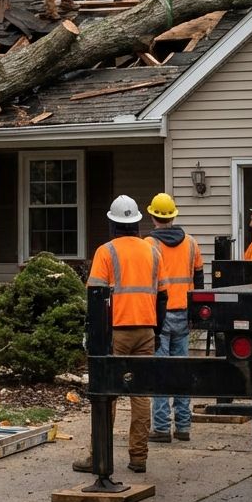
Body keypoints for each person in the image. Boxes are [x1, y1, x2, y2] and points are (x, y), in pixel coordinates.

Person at [73, 195, 166, 475]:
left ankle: (98, 455)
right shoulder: (153, 252)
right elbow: (162, 297)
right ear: (137, 223)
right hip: (146, 331)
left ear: (113, 224)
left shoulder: (106, 251)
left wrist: (94, 335)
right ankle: (139, 457)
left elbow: (95, 297)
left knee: (106, 394)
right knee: (140, 396)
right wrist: (156, 331)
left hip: (116, 332)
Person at [144, 193, 204, 444]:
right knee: (181, 371)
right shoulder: (191, 243)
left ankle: (160, 428)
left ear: (153, 216)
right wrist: (196, 315)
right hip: (184, 314)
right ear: (173, 216)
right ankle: (183, 427)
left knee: (160, 373)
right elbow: (199, 280)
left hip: (160, 315)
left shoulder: (149, 244)